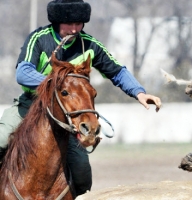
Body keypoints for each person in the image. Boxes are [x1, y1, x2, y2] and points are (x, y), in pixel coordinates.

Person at [0, 0, 161, 197]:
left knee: (82, 170)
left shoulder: (90, 44)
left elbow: (117, 71)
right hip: (31, 104)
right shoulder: (39, 38)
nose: (75, 29)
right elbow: (23, 73)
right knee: (0, 139)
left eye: (79, 24)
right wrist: (57, 83)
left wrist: (139, 92)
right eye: (69, 24)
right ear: (57, 22)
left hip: (67, 116)